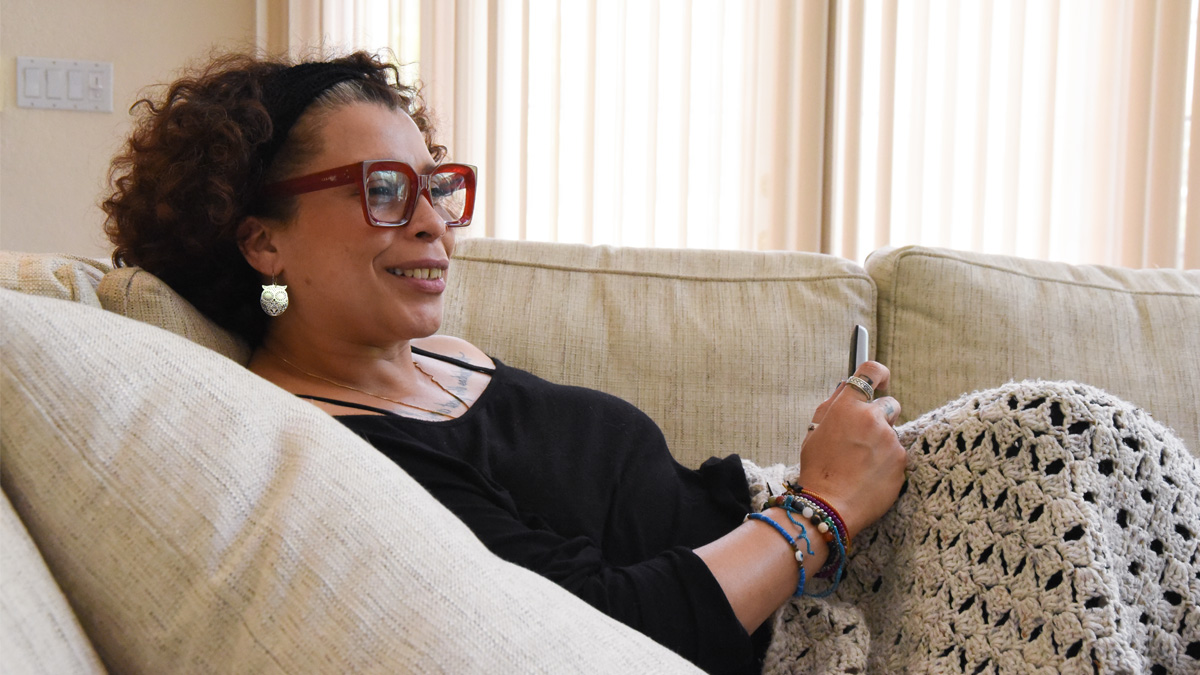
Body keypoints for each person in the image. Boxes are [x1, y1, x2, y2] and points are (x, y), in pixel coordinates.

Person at [103, 52, 1200, 674]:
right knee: (1065, 453)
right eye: (383, 192)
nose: (434, 222)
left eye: (437, 186)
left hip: (800, 529)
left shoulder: (436, 355)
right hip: (795, 603)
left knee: (1078, 442)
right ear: (261, 240)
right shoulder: (332, 450)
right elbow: (603, 633)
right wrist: (824, 512)